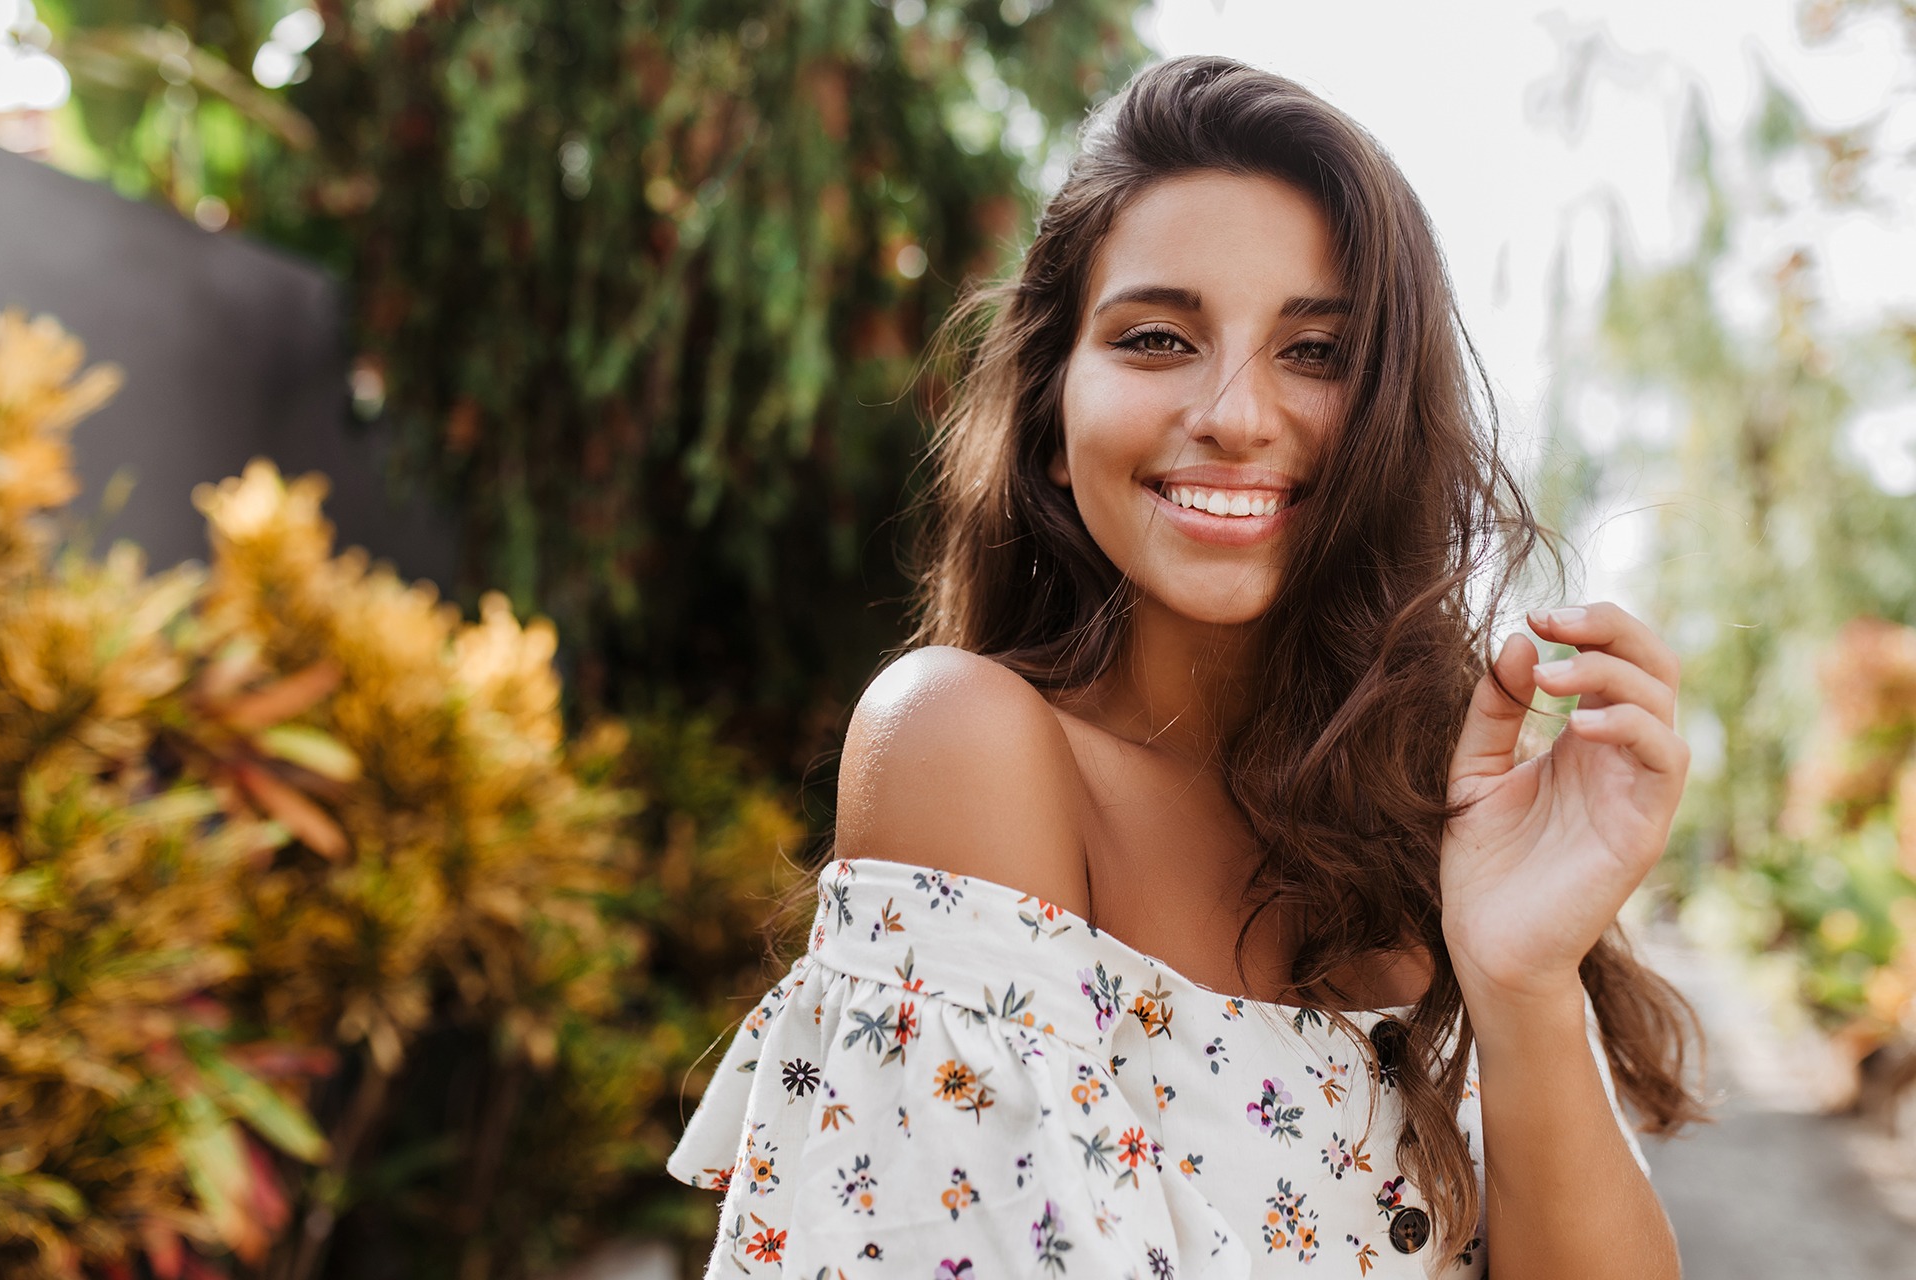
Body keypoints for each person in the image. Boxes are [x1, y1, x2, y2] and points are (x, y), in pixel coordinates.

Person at [667, 55, 1703, 1279]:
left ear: (1390, 418)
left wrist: (1523, 983)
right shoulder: (967, 747)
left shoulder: (1441, 833)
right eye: (1158, 337)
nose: (1235, 412)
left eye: (1315, 351)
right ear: (1054, 413)